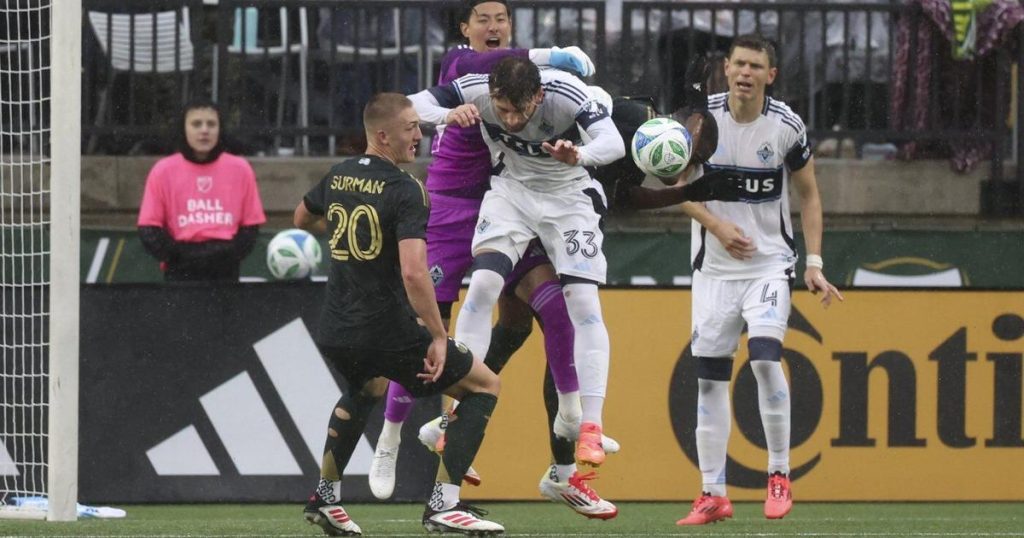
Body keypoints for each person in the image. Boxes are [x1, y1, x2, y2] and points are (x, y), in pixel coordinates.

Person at [368, 0, 619, 520]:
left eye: (499, 19)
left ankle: (574, 440)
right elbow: (418, 105)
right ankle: (397, 436)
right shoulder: (467, 69)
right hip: (463, 205)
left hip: (535, 199)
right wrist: (447, 113)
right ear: (465, 29)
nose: (491, 27)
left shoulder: (565, 94)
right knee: (429, 326)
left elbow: (614, 137)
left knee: (559, 312)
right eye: (481, 19)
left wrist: (588, 152)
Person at [295, 93, 504, 536]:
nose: (419, 134)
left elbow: (301, 218)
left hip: (335, 326)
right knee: (485, 385)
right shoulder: (407, 189)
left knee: (365, 387)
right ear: (383, 135)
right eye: (410, 127)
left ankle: (326, 498)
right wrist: (437, 334)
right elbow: (413, 273)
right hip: (384, 326)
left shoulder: (338, 175)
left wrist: (348, 241)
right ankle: (443, 506)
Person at [673, 34, 844, 526]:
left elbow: (809, 196)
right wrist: (716, 226)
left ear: (771, 76)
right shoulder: (700, 120)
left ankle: (778, 473)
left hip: (769, 265)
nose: (745, 72)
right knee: (709, 380)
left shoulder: (786, 125)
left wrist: (814, 263)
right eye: (739, 64)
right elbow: (674, 189)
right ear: (725, 69)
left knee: (766, 360)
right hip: (714, 271)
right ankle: (712, 493)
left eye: (756, 66)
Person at [137, 99, 266, 281]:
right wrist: (180, 255)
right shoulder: (162, 171)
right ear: (184, 129)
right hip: (180, 270)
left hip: (225, 269)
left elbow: (251, 226)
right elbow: (149, 229)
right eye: (196, 124)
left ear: (220, 129)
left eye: (211, 124)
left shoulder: (241, 169)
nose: (204, 130)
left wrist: (228, 254)